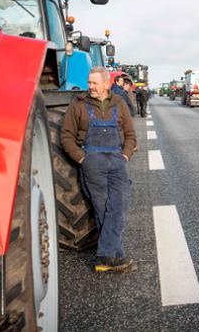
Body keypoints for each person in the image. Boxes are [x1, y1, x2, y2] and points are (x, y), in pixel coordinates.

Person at [60, 67, 137, 273]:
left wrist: (126, 155)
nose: (91, 87)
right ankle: (112, 257)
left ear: (106, 84)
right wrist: (82, 158)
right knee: (102, 206)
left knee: (119, 205)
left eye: (95, 83)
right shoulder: (78, 105)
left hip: (117, 159)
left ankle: (107, 256)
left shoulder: (119, 103)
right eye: (89, 83)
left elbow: (130, 134)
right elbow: (66, 135)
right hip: (92, 159)